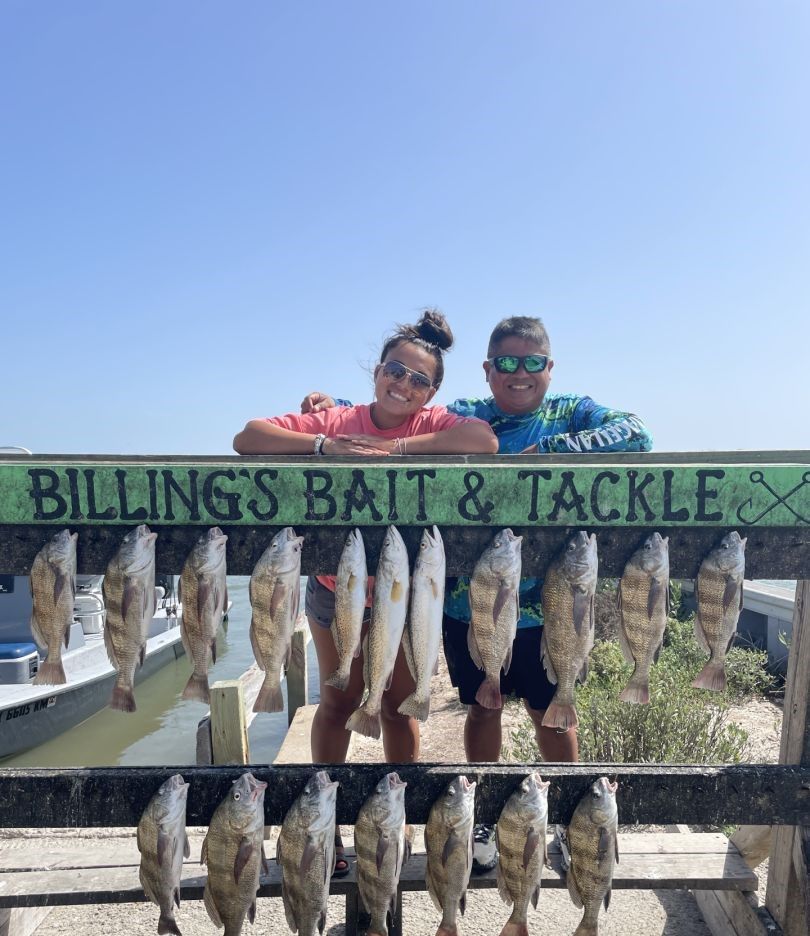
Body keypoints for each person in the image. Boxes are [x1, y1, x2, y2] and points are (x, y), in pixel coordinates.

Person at [301, 314, 653, 874]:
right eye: (506, 363)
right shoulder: (472, 413)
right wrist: (332, 403)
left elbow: (637, 432)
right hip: (470, 604)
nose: (519, 374)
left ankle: (564, 821)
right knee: (482, 708)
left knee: (551, 710)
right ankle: (485, 811)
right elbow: (398, 416)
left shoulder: (575, 412)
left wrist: (554, 452)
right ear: (488, 370)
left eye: (531, 362)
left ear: (548, 367)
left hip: (547, 602)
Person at [234, 309, 497, 878]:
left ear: (433, 392)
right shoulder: (338, 418)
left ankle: (394, 817)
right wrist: (325, 447)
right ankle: (324, 821)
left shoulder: (433, 424)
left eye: (418, 379)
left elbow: (484, 439)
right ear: (377, 371)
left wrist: (401, 452)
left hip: (407, 603)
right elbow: (247, 437)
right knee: (336, 701)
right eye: (396, 371)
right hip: (337, 593)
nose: (403, 385)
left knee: (400, 709)